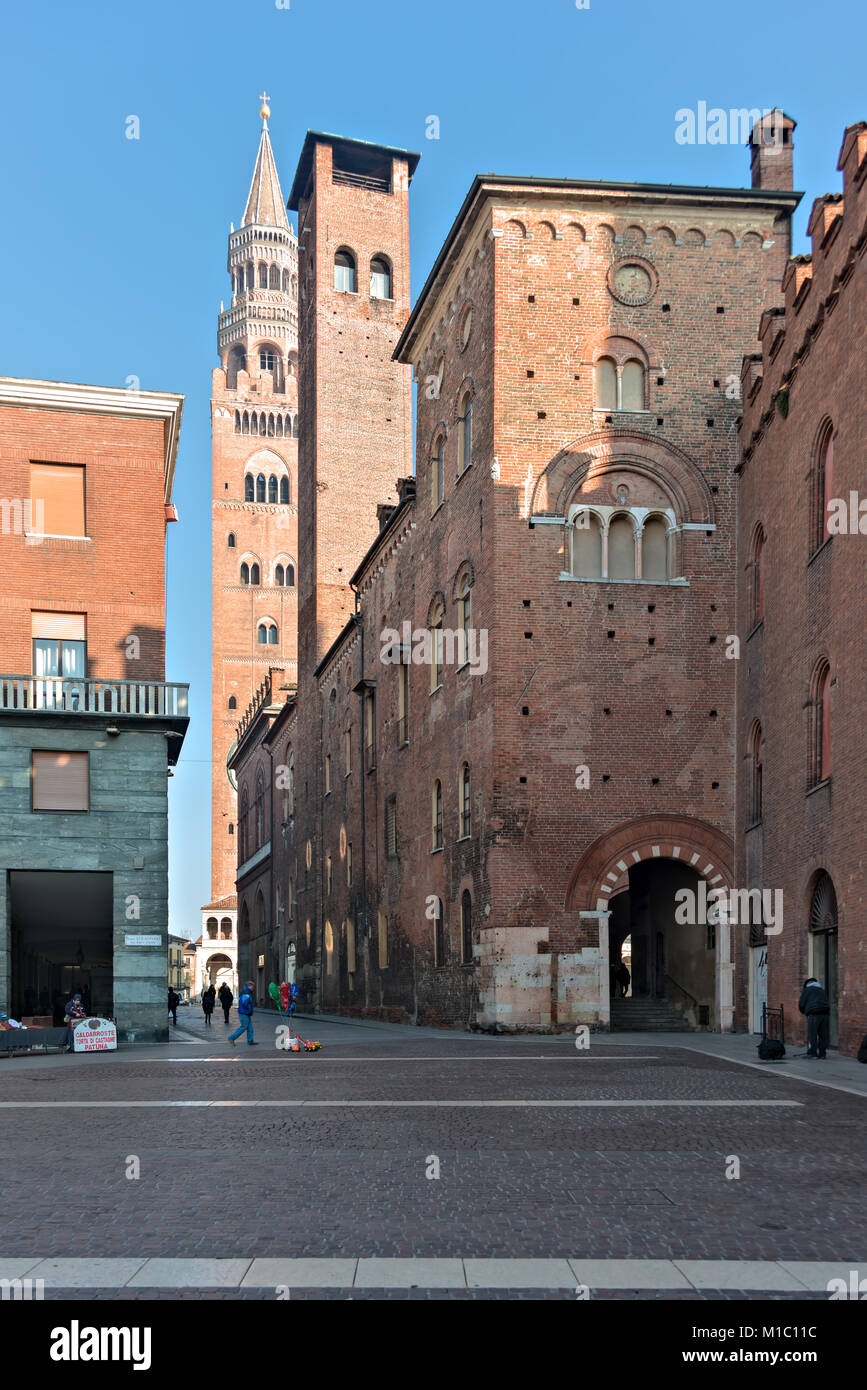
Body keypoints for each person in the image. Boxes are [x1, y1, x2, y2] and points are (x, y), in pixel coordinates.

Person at [798, 977, 831, 1059]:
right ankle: (822, 1054)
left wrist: (804, 1012)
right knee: (823, 1034)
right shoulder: (822, 990)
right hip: (825, 1013)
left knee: (812, 1034)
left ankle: (813, 1053)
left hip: (813, 1013)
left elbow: (801, 1003)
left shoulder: (807, 990)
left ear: (807, 985)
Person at [228, 981, 259, 1047]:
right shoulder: (246, 992)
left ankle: (250, 1041)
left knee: (250, 1028)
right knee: (243, 1027)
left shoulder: (247, 992)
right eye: (253, 986)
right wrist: (248, 1009)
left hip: (246, 1012)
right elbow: (244, 1003)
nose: (253, 988)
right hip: (244, 1012)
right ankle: (232, 1038)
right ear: (250, 986)